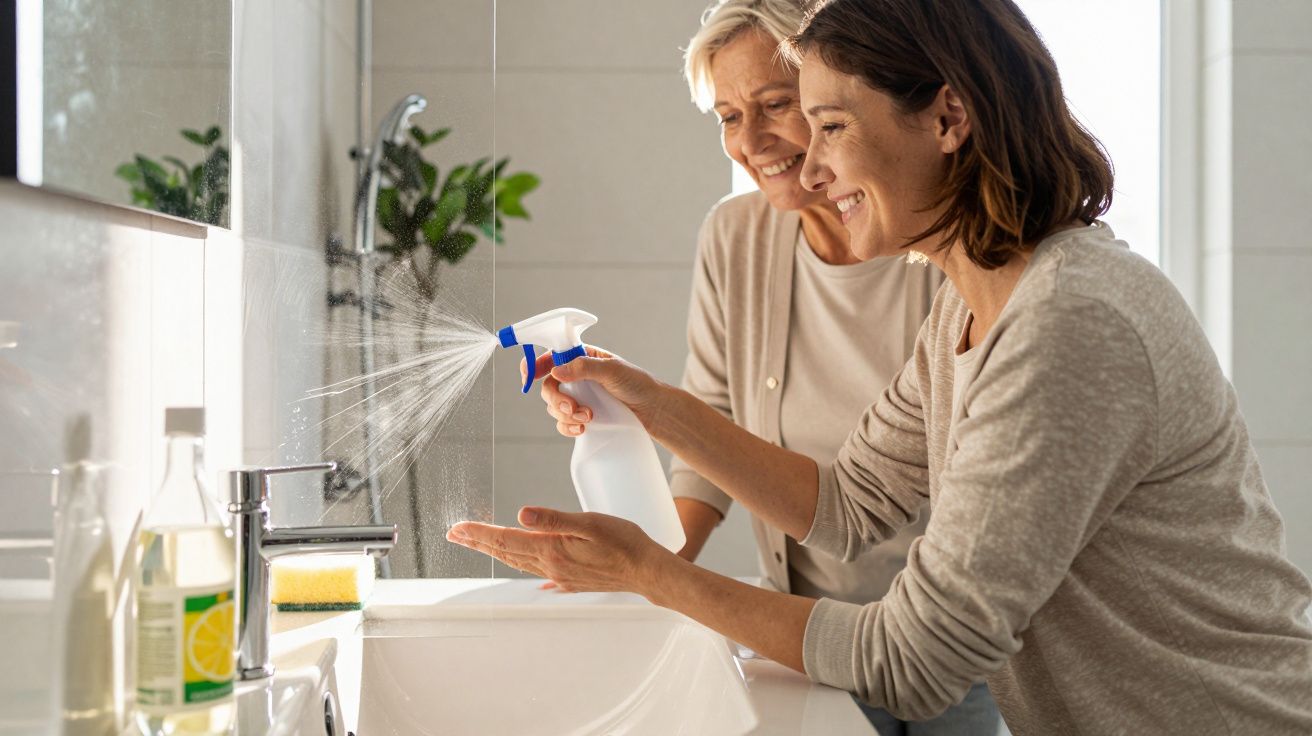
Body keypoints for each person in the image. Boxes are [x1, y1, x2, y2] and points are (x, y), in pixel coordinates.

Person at [449, 0, 1312, 733]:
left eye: (829, 127)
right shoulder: (969, 308)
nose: (810, 169)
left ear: (946, 119)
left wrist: (651, 573)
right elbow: (849, 504)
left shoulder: (1068, 323)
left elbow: (914, 661)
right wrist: (641, 397)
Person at [676, 2, 996, 730]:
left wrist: (651, 575)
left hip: (955, 637)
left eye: (777, 106)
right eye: (728, 116)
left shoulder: (948, 251)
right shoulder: (736, 237)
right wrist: (649, 562)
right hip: (810, 628)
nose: (751, 141)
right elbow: (722, 426)